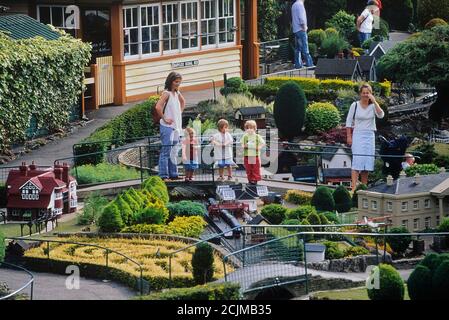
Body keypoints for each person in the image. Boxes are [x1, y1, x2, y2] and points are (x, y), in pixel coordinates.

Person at [346, 84, 385, 191]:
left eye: (367, 93)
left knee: (367, 162)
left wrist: (375, 101)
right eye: (363, 93)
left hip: (369, 135)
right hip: (358, 134)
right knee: (357, 161)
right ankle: (353, 188)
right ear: (360, 94)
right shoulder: (355, 105)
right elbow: (348, 122)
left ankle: (364, 187)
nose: (365, 95)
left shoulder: (373, 106)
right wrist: (349, 136)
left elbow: (381, 115)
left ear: (370, 94)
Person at [156, 72, 185, 181]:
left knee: (174, 151)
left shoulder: (177, 93)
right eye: (176, 82)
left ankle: (173, 174)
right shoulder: (166, 93)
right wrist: (164, 118)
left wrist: (179, 113)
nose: (178, 84)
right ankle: (163, 176)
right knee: (166, 151)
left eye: (179, 82)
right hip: (167, 127)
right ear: (171, 81)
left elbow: (183, 102)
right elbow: (158, 107)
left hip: (176, 127)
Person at [240, 120, 265, 185]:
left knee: (255, 168)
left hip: (254, 155)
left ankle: (254, 179)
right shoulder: (245, 136)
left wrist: (259, 147)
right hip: (247, 155)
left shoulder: (257, 136)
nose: (249, 129)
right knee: (248, 168)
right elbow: (242, 144)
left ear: (254, 128)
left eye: (251, 128)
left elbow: (262, 143)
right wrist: (244, 146)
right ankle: (250, 179)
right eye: (247, 128)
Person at [291, 0, 314, 69]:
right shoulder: (300, 5)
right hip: (301, 29)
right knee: (305, 48)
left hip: (295, 30)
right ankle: (310, 65)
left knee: (297, 49)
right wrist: (304, 27)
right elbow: (301, 17)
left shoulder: (294, 5)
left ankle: (298, 65)